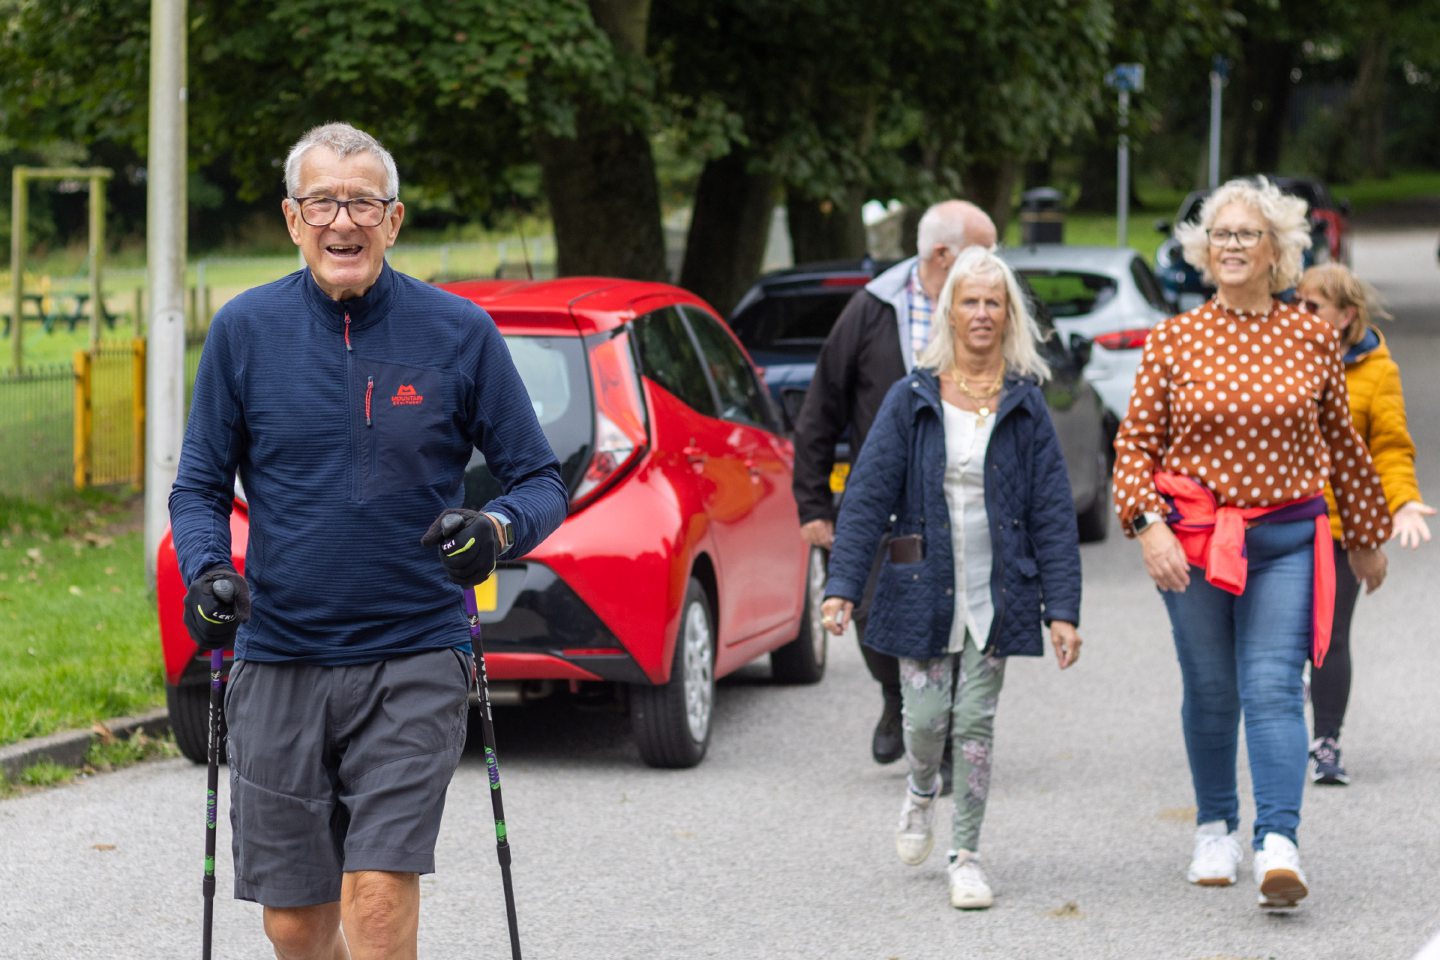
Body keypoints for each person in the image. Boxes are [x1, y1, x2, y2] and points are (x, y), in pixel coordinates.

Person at [169, 122, 567, 959]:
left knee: (377, 905)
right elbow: (199, 487)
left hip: (413, 654)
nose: (341, 221)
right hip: (279, 654)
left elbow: (539, 479)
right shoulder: (245, 331)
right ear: (291, 217)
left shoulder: (457, 332)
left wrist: (493, 528)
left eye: (362, 202)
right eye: (322, 202)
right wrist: (207, 573)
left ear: (393, 219)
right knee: (295, 923)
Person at [1113, 176, 1392, 911]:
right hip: (1195, 545)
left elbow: (1342, 444)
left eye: (1247, 234)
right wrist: (1148, 529)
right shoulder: (1174, 338)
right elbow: (1134, 449)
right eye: (1221, 235)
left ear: (1278, 251)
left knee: (1272, 687)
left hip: (1289, 540)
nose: (1231, 245)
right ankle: (1215, 827)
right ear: (1205, 252)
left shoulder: (1309, 334)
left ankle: (1278, 843)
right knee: (1210, 690)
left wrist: (1365, 535)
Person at [818, 246, 1082, 910]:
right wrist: (841, 587)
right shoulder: (912, 398)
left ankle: (967, 855)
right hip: (920, 585)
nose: (983, 313)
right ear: (951, 312)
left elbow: (1052, 511)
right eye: (971, 301)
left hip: (999, 589)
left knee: (975, 723)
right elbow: (868, 497)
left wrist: (1064, 610)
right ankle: (920, 788)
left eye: (995, 301)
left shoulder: (1024, 403)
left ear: (1009, 313)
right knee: (927, 721)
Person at [792, 200, 998, 779]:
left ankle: (950, 736)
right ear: (942, 255)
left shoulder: (986, 308)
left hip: (966, 495)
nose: (995, 265)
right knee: (872, 611)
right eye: (985, 249)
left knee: (957, 611)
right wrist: (812, 502)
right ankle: (894, 696)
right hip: (886, 501)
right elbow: (822, 406)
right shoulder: (872, 310)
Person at [1295, 263, 1432, 785]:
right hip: (1280, 521)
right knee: (1287, 633)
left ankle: (1326, 742)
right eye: (1297, 304)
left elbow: (1391, 449)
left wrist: (1402, 503)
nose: (1301, 315)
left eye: (1314, 307)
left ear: (1346, 315)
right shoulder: (1281, 359)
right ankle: (1287, 717)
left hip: (1340, 528)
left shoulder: (1378, 372)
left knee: (1329, 636)